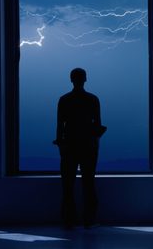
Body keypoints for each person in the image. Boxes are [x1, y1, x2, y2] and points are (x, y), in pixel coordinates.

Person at [53, 68, 106, 229]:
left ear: (71, 79)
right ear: (85, 79)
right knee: (88, 182)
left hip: (69, 145)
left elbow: (59, 125)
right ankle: (89, 219)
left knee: (67, 184)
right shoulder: (93, 99)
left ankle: (69, 220)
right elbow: (97, 124)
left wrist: (61, 144)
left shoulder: (64, 99)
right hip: (88, 146)